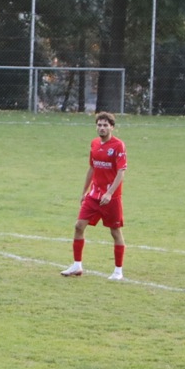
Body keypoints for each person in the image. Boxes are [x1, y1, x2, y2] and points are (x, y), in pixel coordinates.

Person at [61, 111, 126, 281]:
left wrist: (110, 193)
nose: (102, 128)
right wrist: (84, 191)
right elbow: (92, 168)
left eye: (105, 125)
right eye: (99, 125)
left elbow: (121, 172)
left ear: (112, 127)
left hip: (111, 198)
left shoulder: (118, 146)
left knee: (115, 231)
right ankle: (77, 265)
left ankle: (118, 270)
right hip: (94, 195)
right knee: (78, 226)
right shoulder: (94, 144)